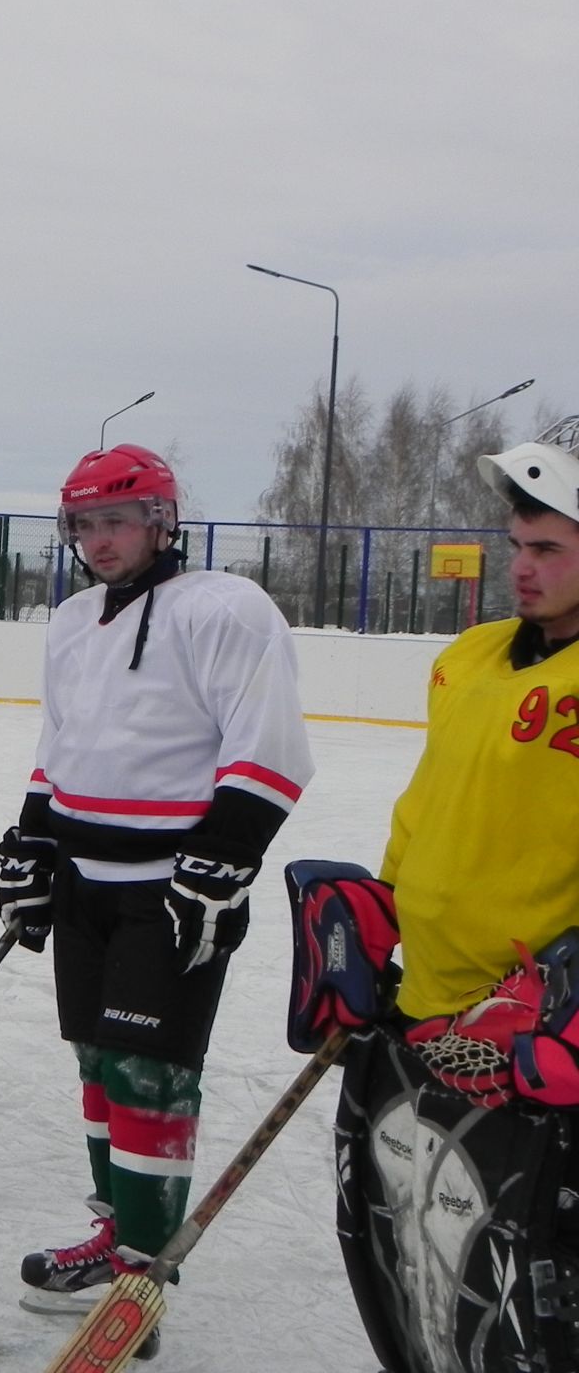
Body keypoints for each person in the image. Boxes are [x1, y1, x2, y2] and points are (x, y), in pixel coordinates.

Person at [0, 444, 311, 1352]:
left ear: (163, 522)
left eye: (118, 521)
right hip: (89, 888)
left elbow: (271, 746)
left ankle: (142, 1271)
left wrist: (222, 860)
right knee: (98, 1065)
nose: (100, 541)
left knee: (150, 1074)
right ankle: (115, 1232)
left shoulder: (224, 609)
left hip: (171, 892)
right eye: (85, 525)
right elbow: (61, 749)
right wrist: (33, 843)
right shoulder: (71, 622)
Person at [293, 418, 579, 1373]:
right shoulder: (470, 658)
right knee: (427, 1281)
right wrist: (377, 918)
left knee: (538, 1307)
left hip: (540, 1041)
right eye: (517, 547)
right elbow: (424, 812)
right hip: (430, 1022)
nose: (524, 569)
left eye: (549, 549)